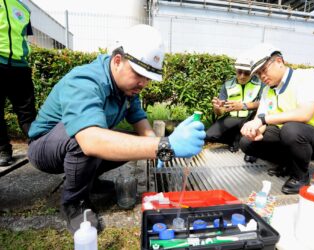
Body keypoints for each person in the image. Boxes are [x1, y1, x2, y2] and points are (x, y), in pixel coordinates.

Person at [27, 24, 206, 233]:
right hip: (43, 146)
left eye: (148, 78)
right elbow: (91, 140)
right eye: (139, 74)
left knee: (132, 141)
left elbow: (139, 120)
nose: (143, 83)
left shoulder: (128, 89)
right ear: (118, 60)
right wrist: (164, 145)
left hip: (78, 140)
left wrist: (156, 151)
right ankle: (74, 203)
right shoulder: (85, 80)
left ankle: (89, 181)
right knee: (84, 139)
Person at [240, 43, 314, 194]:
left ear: (279, 61)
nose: (262, 77)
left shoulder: (308, 76)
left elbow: (304, 114)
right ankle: (288, 163)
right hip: (290, 136)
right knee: (247, 143)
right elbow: (261, 118)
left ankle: (300, 176)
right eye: (258, 74)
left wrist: (262, 121)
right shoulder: (268, 90)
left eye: (264, 70)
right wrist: (254, 130)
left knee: (291, 129)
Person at [205, 52, 263, 162]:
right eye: (239, 72)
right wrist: (217, 107)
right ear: (235, 70)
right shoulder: (227, 85)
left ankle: (247, 143)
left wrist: (244, 106)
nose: (242, 76)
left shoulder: (261, 84)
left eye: (246, 73)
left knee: (256, 123)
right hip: (233, 119)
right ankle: (235, 139)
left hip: (251, 119)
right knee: (209, 135)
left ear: (252, 72)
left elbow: (265, 104)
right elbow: (219, 113)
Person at [0, 0, 36, 166]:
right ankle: (3, 150)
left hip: (20, 66)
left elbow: (24, 37)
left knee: (27, 112)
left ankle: (37, 147)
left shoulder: (24, 8)